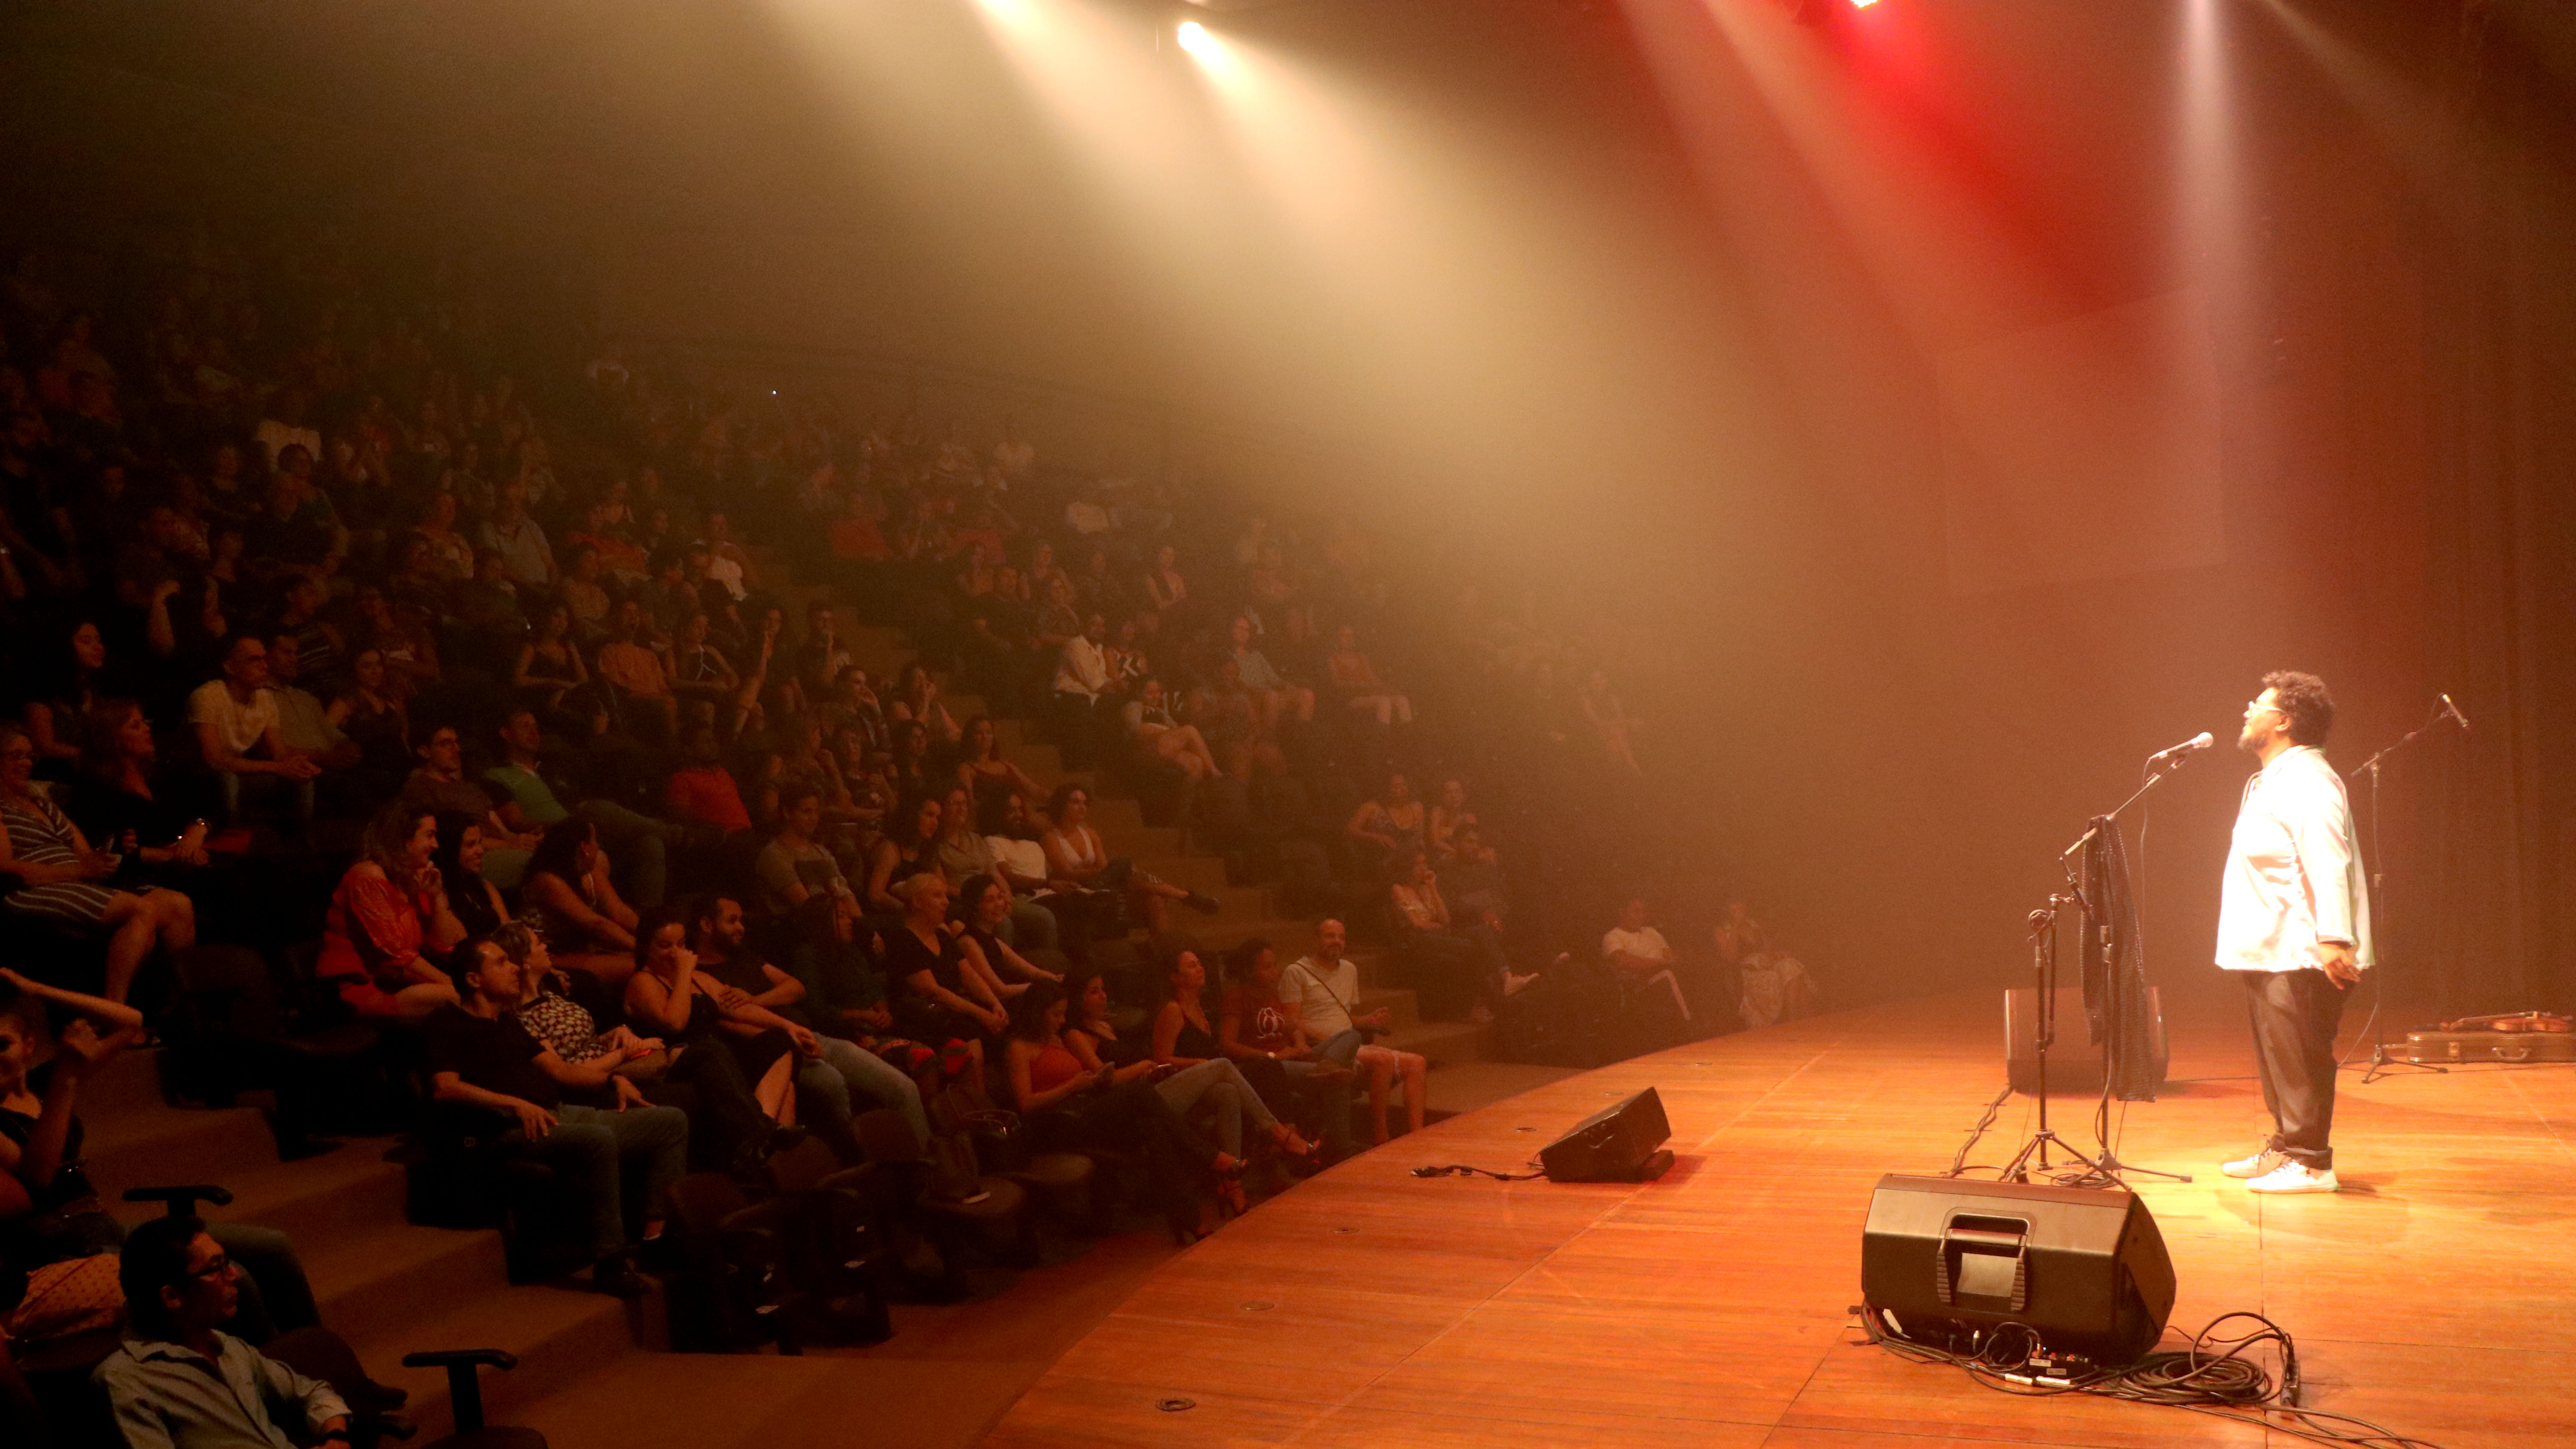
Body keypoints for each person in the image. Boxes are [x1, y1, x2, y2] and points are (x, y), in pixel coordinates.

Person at [427, 937, 684, 1295]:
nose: (515, 968)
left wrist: (613, 1079)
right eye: (501, 962)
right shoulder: (447, 1021)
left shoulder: (507, 1021)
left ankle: (655, 1239)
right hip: (508, 1128)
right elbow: (445, 1087)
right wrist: (513, 1104)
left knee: (670, 1120)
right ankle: (610, 1261)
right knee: (598, 1139)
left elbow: (561, 1070)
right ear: (473, 979)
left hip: (558, 1113)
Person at [2218, 671, 2372, 1196]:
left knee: (2302, 1057)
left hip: (2303, 949)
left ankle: (2312, 1164)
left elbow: (2329, 858)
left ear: (2283, 721)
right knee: (2279, 1056)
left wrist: (2334, 935)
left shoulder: (2308, 779)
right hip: (2271, 947)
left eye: (2257, 705)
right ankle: (2288, 1146)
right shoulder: (2276, 778)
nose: (2247, 711)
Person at [1002, 980, 1240, 1241]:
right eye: (1056, 1014)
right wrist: (1072, 1086)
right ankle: (1211, 1156)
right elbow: (1025, 1104)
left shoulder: (1057, 1040)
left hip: (1082, 1110)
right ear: (1038, 1013)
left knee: (1153, 1128)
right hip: (1056, 1124)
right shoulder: (1019, 1048)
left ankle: (1188, 1221)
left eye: (1064, 1014)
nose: (1062, 1021)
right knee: (1139, 1092)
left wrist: (1090, 1082)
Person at [693, 894, 928, 1149]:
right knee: (832, 1083)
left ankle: (923, 1162)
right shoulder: (699, 976)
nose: (741, 927)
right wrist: (784, 1029)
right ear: (707, 925)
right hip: (782, 1052)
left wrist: (755, 1000)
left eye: (741, 920)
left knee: (904, 1089)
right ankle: (853, 1157)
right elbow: (733, 1018)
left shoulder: (746, 957)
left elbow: (796, 988)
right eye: (732, 921)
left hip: (813, 1036)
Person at [97, 1216, 353, 1449]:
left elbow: (313, 1392)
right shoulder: (126, 1382)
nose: (235, 1274)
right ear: (172, 1297)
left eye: (227, 1263)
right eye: (217, 1268)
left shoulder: (227, 1346)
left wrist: (335, 1437)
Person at [2, 721, 200, 1006]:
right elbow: (6, 869)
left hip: (76, 878)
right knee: (140, 910)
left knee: (178, 905)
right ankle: (112, 1012)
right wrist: (79, 870)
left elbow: (85, 853)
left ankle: (179, 1007)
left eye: (30, 756)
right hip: (32, 887)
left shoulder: (39, 801)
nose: (26, 763)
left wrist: (112, 849)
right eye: (16, 756)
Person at [1061, 966, 1314, 1168]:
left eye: (1103, 989)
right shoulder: (1076, 1035)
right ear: (1077, 998)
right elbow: (1105, 1078)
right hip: (1137, 1102)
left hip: (1152, 1085)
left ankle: (1233, 1178)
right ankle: (1278, 1132)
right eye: (1094, 991)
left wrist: (1150, 1069)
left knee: (1227, 1091)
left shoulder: (1106, 1026)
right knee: (1226, 1066)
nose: (1103, 996)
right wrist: (1143, 1067)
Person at [1283, 917, 1424, 1150]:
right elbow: (1292, 1020)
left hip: (1351, 1042)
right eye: (1330, 936)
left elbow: (1342, 1016)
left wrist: (1368, 1019)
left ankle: (1419, 1137)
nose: (1337, 941)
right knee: (1383, 1059)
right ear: (1316, 940)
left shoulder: (1349, 970)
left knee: (1418, 1063)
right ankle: (1381, 1137)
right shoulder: (1296, 972)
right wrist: (1326, 1040)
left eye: (1341, 937)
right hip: (1324, 1048)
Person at [316, 804, 463, 1019]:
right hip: (356, 987)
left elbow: (446, 946)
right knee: (464, 998)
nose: (436, 845)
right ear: (402, 839)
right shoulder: (368, 876)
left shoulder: (411, 878)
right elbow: (397, 956)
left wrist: (437, 898)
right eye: (430, 835)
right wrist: (458, 986)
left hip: (394, 983)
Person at [187, 635, 320, 826]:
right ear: (230, 667)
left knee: (301, 779)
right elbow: (214, 759)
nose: (264, 666)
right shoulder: (207, 696)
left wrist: (298, 765)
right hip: (199, 780)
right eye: (254, 660)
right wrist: (277, 767)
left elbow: (279, 752)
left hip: (237, 775)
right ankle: (227, 839)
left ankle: (301, 841)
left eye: (264, 659)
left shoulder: (265, 699)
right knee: (227, 780)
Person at [1389, 851, 1532, 1024]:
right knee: (1470, 949)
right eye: (1419, 864)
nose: (1424, 868)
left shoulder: (1426, 889)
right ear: (1408, 867)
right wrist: (1436, 925)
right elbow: (1418, 924)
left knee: (1483, 931)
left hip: (1440, 934)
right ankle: (1475, 1006)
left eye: (1425, 863)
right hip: (1422, 939)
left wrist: (1433, 889)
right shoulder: (1399, 889)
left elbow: (1446, 920)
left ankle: (1508, 977)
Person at [521, 818, 642, 989]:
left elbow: (620, 912)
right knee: (639, 966)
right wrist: (643, 948)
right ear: (585, 848)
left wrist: (654, 934)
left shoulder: (591, 876)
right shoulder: (548, 881)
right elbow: (596, 924)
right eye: (595, 841)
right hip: (550, 953)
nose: (598, 847)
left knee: (651, 961)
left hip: (579, 949)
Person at [1602, 896, 1694, 1030]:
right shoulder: (1613, 937)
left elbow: (1670, 957)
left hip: (1666, 973)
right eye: (1636, 912)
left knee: (1690, 968)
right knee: (1668, 975)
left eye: (1643, 912)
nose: (1641, 917)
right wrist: (1659, 963)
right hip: (1640, 984)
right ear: (1623, 912)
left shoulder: (1651, 932)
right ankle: (1690, 1024)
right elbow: (1622, 961)